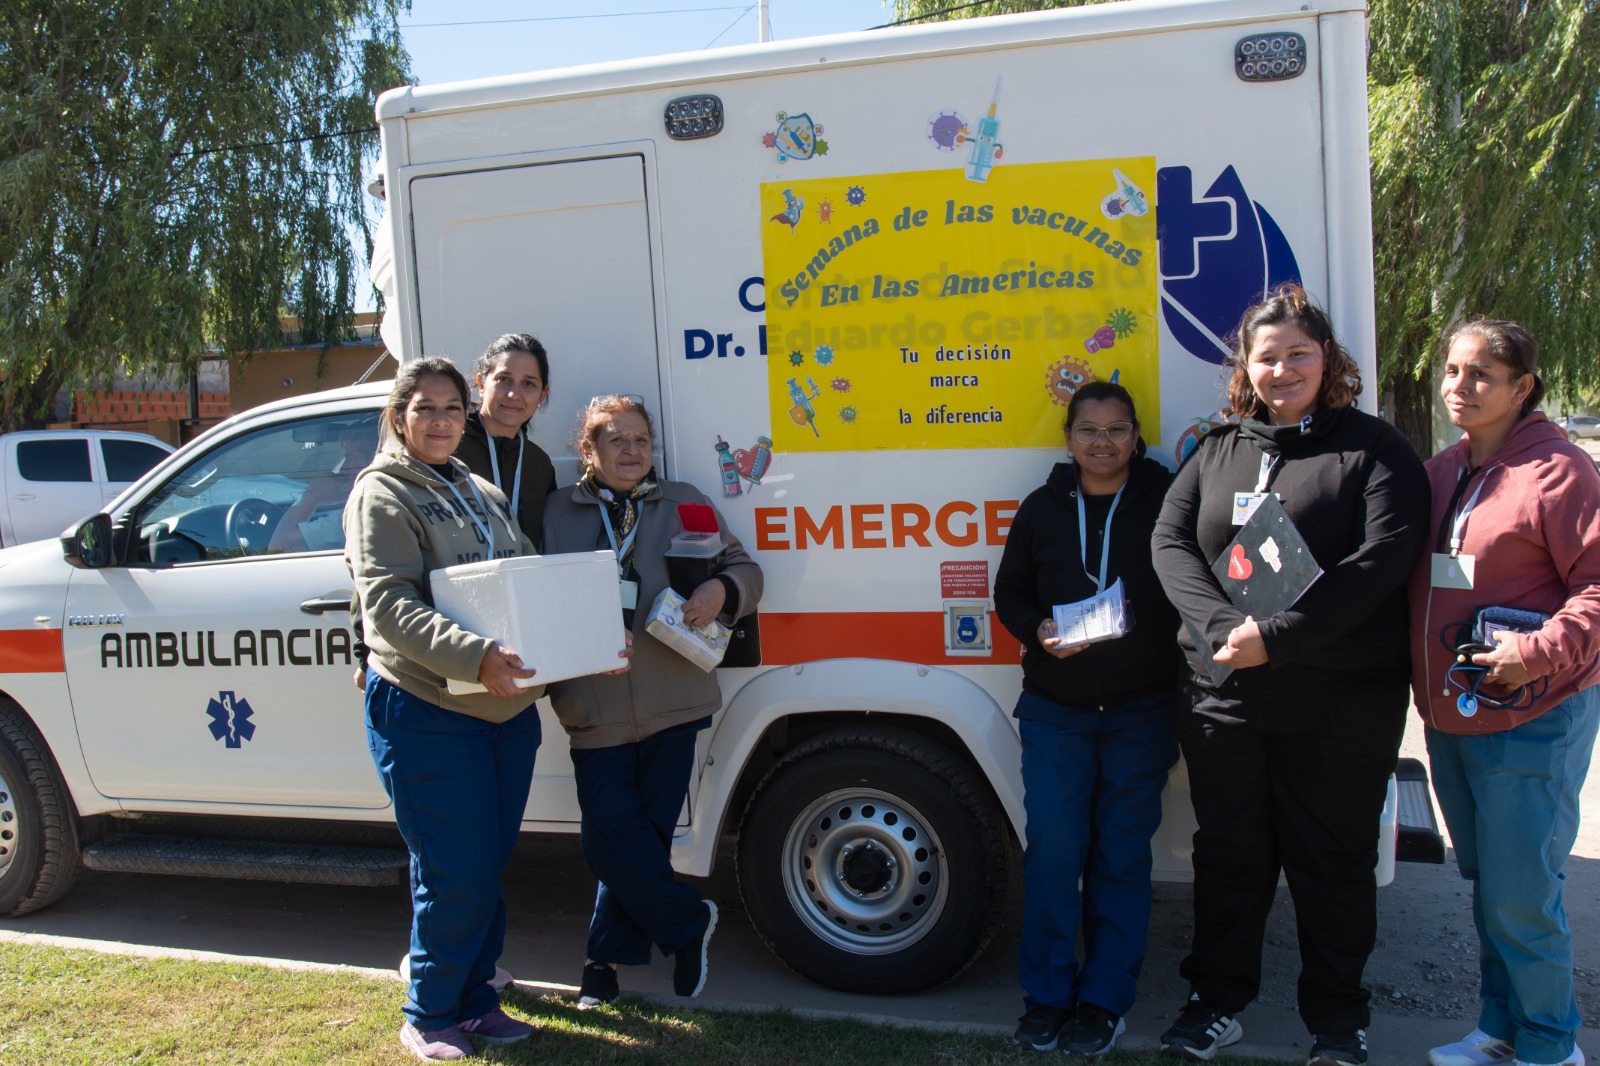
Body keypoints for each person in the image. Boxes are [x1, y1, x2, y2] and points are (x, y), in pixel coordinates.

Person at [1150, 286, 1429, 1065]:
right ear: (1245, 366)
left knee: (1331, 861)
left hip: (1339, 704)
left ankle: (1337, 1025)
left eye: (1298, 353)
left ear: (1328, 360)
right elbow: (1170, 543)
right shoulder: (1217, 448)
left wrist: (1276, 637)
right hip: (1225, 698)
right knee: (1230, 854)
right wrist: (1220, 630)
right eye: (1266, 356)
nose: (1282, 369)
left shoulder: (1375, 452)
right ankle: (1216, 1003)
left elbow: (1377, 566)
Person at [343, 357, 546, 1062]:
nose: (440, 420)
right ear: (399, 415)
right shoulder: (381, 492)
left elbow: (526, 580)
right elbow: (388, 606)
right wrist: (474, 657)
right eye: (424, 407)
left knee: (484, 864)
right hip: (427, 705)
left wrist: (584, 640)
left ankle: (476, 1003)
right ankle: (428, 1013)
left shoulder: (479, 487)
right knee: (453, 867)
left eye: (453, 408)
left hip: (501, 710)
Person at [1410, 320, 1600, 1066]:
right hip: (1454, 715)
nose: (1461, 386)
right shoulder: (1440, 469)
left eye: (1481, 374)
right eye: (1453, 371)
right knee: (1492, 886)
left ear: (1523, 388)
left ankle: (1552, 1045)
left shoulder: (1560, 472)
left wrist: (1536, 653)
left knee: (1523, 893)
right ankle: (1499, 1031)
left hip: (1533, 716)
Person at [542, 394, 763, 1008]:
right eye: (617, 440)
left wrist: (722, 588)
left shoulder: (686, 500)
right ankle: (689, 924)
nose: (633, 451)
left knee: (641, 839)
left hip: (675, 701)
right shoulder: (557, 512)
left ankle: (601, 966)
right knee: (609, 838)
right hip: (594, 703)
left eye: (641, 439)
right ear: (588, 449)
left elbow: (748, 570)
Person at [994, 380, 1183, 1054]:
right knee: (1052, 852)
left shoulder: (1166, 501)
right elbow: (1009, 590)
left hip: (1140, 710)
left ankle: (1104, 1000)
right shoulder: (1042, 509)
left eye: (1117, 429)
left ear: (1136, 436)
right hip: (1056, 712)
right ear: (1068, 439)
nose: (1103, 442)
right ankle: (1046, 997)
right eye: (1089, 430)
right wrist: (1037, 627)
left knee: (1121, 856)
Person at [456, 333, 557, 548]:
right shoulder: (450, 449)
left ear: (542, 394)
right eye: (504, 379)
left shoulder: (539, 464)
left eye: (528, 384)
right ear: (481, 383)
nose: (513, 394)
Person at [269, 424, 377, 553]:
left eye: (350, 460)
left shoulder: (356, 516)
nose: (343, 469)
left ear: (373, 464)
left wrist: (312, 497)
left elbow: (278, 547)